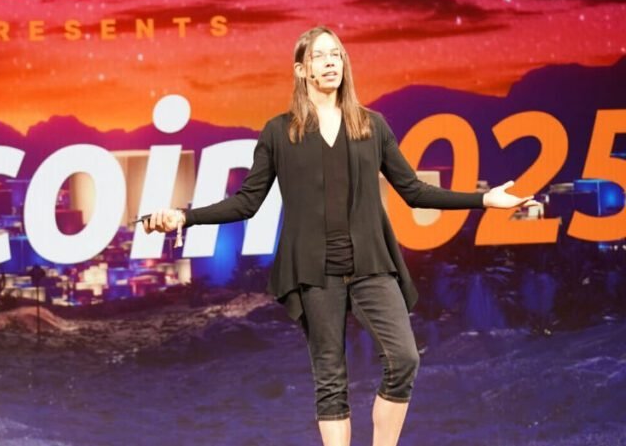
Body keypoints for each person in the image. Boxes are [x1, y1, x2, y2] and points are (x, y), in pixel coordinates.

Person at [143, 26, 539, 446]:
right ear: (301, 70)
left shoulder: (371, 125)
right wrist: (184, 217)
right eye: (319, 55)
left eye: (336, 54)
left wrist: (484, 199)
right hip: (315, 272)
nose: (331, 61)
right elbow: (246, 203)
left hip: (371, 265)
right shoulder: (280, 132)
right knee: (330, 377)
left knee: (404, 358)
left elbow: (414, 191)